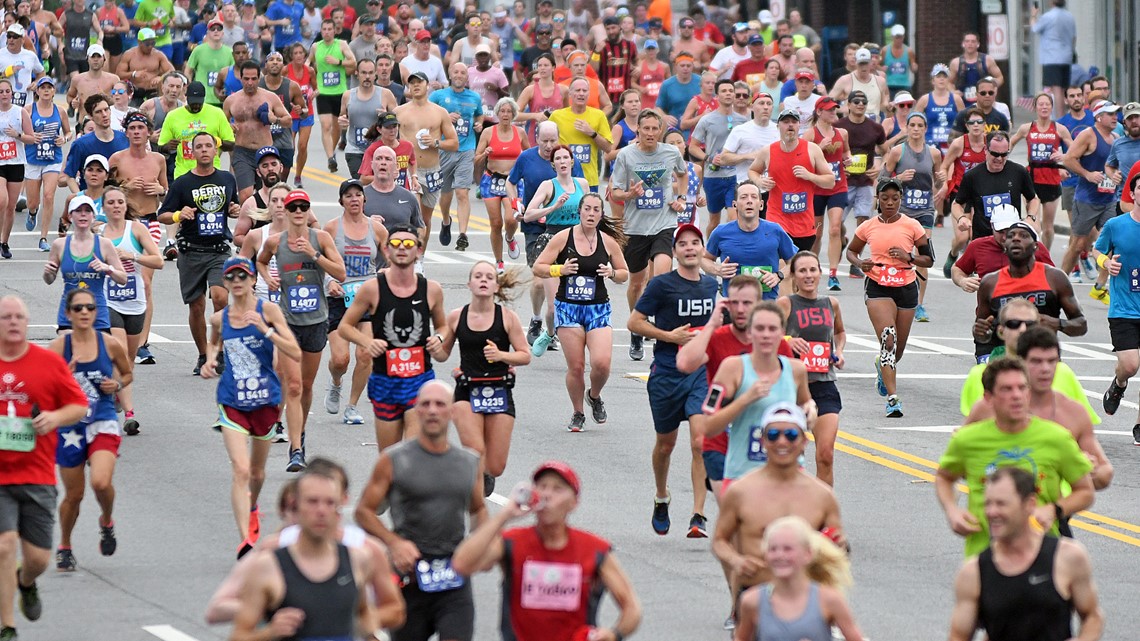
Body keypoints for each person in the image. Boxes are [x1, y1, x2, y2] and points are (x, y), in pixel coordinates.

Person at [353, 379, 486, 641]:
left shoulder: (468, 462)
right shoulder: (393, 459)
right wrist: (394, 543)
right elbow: (364, 511)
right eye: (426, 404)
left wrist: (478, 547)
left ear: (452, 412)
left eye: (440, 404)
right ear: (417, 410)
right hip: (409, 572)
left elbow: (478, 509)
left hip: (453, 573)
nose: (433, 410)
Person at [452, 460, 642, 641]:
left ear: (574, 502)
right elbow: (461, 564)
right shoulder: (512, 542)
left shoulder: (595, 549)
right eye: (542, 487)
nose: (547, 494)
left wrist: (614, 634)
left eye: (557, 489)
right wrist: (505, 515)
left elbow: (631, 608)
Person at [936, 357, 1095, 557]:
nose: (1017, 396)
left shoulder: (1057, 438)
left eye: (1022, 388)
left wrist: (1054, 510)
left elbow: (1085, 491)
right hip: (984, 557)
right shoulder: (968, 440)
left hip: (1042, 557)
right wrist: (952, 511)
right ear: (988, 398)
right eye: (1007, 389)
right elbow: (944, 476)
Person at [0, 296, 89, 641]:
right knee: (5, 544)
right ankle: (7, 625)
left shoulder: (48, 363)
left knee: (38, 559)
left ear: (27, 322)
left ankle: (26, 581)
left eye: (18, 317)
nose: (12, 322)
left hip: (36, 474)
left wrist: (54, 417)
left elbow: (78, 406)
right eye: (6, 316)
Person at [200, 256, 299, 556]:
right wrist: (210, 358)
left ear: (253, 280)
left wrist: (267, 330)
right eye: (232, 277)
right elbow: (214, 340)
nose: (238, 281)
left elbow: (293, 349)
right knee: (240, 469)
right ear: (226, 283)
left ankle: (252, 506)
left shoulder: (267, 310)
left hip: (265, 400)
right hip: (232, 400)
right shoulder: (220, 318)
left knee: (256, 473)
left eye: (243, 276)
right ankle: (246, 540)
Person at [627, 222, 716, 536]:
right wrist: (669, 336)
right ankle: (661, 496)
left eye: (695, 243)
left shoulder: (712, 287)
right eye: (684, 244)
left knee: (699, 441)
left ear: (702, 249)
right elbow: (634, 322)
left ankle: (698, 515)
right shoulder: (661, 285)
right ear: (675, 252)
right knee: (666, 445)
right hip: (666, 372)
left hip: (702, 374)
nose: (690, 248)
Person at [229, 468, 390, 641]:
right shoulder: (269, 565)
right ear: (295, 506)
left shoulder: (357, 560)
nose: (321, 511)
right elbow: (238, 636)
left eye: (330, 503)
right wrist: (270, 632)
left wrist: (373, 635)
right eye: (312, 502)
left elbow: (364, 613)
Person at [947, 466, 1103, 641]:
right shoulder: (973, 572)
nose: (991, 512)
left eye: (1001, 504)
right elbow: (958, 636)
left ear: (1030, 504)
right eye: (987, 504)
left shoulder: (1068, 557)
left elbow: (1092, 616)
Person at [711, 403, 841, 604]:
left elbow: (839, 549)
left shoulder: (823, 496)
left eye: (790, 435)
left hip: (807, 600)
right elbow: (719, 541)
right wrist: (736, 561)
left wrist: (835, 546)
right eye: (773, 435)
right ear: (762, 441)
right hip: (754, 598)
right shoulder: (740, 492)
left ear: (803, 442)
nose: (782, 442)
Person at [337, 225, 448, 451]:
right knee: (389, 458)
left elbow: (443, 326)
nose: (402, 249)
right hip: (385, 380)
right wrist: (368, 342)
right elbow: (345, 327)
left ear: (418, 251)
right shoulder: (372, 289)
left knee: (415, 453)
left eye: (408, 244)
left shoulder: (431, 289)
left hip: (419, 379)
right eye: (396, 244)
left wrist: (438, 338)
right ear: (386, 251)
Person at [257, 190, 346, 472]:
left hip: (317, 320)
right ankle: (295, 450)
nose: (297, 211)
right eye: (292, 206)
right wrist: (267, 279)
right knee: (293, 385)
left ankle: (300, 433)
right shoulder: (275, 242)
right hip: (287, 321)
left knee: (306, 386)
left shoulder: (321, 239)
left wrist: (314, 255)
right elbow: (260, 260)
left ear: (308, 210)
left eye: (302, 207)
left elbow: (341, 273)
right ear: (284, 209)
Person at [46, 288, 133, 572]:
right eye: (78, 308)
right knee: (74, 495)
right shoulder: (59, 347)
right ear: (69, 314)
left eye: (89, 308)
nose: (84, 312)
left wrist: (117, 385)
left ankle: (106, 521)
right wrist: (62, 377)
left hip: (103, 419)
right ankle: (65, 546)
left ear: (96, 313)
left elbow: (128, 372)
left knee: (100, 482)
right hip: (70, 427)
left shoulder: (109, 344)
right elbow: (43, 389)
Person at [965, 326, 1113, 491]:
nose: (1045, 369)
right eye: (1036, 361)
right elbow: (956, 466)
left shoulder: (1072, 412)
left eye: (1052, 361)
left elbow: (1104, 473)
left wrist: (1090, 471)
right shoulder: (989, 407)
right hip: (996, 511)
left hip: (1054, 509)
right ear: (1020, 362)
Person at [532, 192, 628, 431]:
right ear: (580, 212)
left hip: (597, 309)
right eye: (587, 209)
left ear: (601, 214)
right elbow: (538, 267)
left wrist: (612, 274)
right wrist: (560, 270)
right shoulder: (563, 238)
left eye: (596, 210)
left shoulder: (608, 242)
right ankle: (578, 412)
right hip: (569, 309)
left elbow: (624, 273)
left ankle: (594, 396)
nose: (591, 214)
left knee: (602, 364)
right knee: (576, 366)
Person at [439, 261, 531, 495]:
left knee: (496, 466)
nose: (483, 280)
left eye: (489, 277)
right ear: (469, 283)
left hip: (499, 390)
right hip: (467, 390)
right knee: (475, 451)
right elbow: (442, 355)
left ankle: (484, 475)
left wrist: (501, 355)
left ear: (496, 286)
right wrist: (433, 346)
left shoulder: (508, 318)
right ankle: (471, 502)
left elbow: (525, 355)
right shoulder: (456, 316)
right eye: (478, 276)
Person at [845, 178, 934, 417]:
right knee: (889, 339)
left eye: (895, 198)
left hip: (906, 286)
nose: (890, 203)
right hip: (878, 285)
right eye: (885, 198)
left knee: (898, 350)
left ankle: (881, 367)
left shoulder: (913, 225)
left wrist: (909, 257)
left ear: (901, 199)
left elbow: (929, 259)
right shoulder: (868, 227)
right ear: (878, 200)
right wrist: (859, 262)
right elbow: (851, 251)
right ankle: (893, 399)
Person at [157, 131, 242, 375]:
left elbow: (232, 206)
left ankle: (221, 352)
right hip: (191, 251)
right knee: (196, 306)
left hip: (219, 251)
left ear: (216, 151)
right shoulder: (183, 182)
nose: (204, 150)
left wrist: (234, 210)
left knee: (220, 298)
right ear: (192, 153)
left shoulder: (227, 179)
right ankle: (203, 354)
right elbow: (161, 214)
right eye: (199, 147)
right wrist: (177, 215)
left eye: (208, 146)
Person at [703, 302, 813, 486]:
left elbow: (806, 406)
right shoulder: (732, 368)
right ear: (750, 332)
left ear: (782, 333)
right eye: (760, 328)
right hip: (743, 475)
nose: (766, 335)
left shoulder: (796, 370)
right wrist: (745, 399)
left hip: (788, 474)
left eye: (772, 329)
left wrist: (811, 410)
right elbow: (708, 426)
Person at [612, 110, 688, 359]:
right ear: (638, 131)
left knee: (661, 278)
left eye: (656, 129)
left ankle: (661, 332)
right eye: (646, 129)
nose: (651, 133)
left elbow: (683, 173)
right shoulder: (627, 155)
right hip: (635, 228)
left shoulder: (670, 152)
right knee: (636, 284)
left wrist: (681, 198)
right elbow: (615, 191)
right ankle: (637, 328)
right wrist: (629, 195)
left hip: (663, 224)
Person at [958, 298, 1098, 423]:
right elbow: (972, 431)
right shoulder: (979, 375)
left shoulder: (1062, 372)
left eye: (1029, 324)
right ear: (1001, 331)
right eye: (1014, 324)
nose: (1023, 329)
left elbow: (1083, 427)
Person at [972, 220, 1087, 363]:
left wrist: (1057, 323)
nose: (1016, 238)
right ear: (1005, 247)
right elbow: (981, 333)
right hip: (1004, 358)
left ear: (1035, 246)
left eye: (1023, 236)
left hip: (1043, 357)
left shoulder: (1054, 278)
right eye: (1011, 236)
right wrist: (981, 332)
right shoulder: (990, 282)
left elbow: (1081, 324)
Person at [776, 251, 845, 486]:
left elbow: (839, 332)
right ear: (793, 275)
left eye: (812, 270)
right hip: (791, 390)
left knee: (826, 455)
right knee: (790, 457)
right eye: (802, 271)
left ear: (820, 272)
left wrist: (840, 352)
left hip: (824, 385)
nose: (808, 275)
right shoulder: (785, 304)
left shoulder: (831, 303)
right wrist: (787, 340)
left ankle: (822, 516)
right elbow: (766, 335)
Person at [733, 515, 862, 641]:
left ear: (808, 554)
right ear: (765, 555)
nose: (780, 555)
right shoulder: (752, 601)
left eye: (788, 549)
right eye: (773, 549)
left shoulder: (829, 600)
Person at [322, 179, 386, 429]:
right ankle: (336, 382)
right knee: (340, 359)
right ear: (341, 201)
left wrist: (385, 276)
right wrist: (329, 281)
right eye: (348, 195)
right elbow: (323, 261)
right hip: (339, 297)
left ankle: (352, 406)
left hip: (367, 298)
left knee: (366, 353)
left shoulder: (377, 229)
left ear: (364, 199)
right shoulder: (331, 228)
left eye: (358, 194)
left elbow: (390, 260)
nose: (354, 199)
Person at [99, 185, 162, 435]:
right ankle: (130, 414)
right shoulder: (99, 233)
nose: (116, 206)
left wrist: (133, 257)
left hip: (135, 303)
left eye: (120, 202)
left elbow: (158, 261)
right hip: (108, 301)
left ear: (126, 206)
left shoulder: (136, 229)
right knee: (121, 353)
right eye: (111, 202)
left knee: (129, 363)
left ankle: (118, 394)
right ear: (103, 207)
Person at [883, 112, 944, 321]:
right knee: (900, 251)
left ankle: (918, 304)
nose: (916, 129)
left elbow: (938, 183)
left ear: (926, 129)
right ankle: (895, 295)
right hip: (902, 210)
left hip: (925, 209)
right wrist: (898, 178)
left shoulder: (934, 153)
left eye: (920, 125)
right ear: (907, 128)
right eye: (913, 125)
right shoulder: (897, 152)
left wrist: (942, 180)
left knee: (922, 252)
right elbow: (883, 179)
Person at [749, 109, 836, 253]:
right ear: (778, 126)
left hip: (804, 222)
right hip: (777, 219)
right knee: (781, 265)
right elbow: (752, 171)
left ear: (798, 126)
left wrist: (810, 176)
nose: (790, 125)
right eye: (785, 122)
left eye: (794, 122)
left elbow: (831, 181)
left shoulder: (812, 150)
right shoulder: (768, 151)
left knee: (798, 267)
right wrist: (759, 182)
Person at [1094, 173, 1140, 439]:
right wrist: (1105, 264)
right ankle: (1119, 383)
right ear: (1132, 194)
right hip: (1124, 308)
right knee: (1130, 364)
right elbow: (1097, 251)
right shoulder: (1115, 225)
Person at [44, 196, 129, 334]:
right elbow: (49, 280)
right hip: (70, 311)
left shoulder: (104, 244)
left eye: (87, 211)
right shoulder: (59, 244)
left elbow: (123, 278)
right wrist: (48, 273)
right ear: (71, 216)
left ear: (93, 217)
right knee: (69, 353)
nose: (83, 214)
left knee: (98, 353)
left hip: (97, 311)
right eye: (78, 211)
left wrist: (108, 269)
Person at [396, 71, 459, 248]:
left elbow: (454, 143)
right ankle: (411, 256)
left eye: (419, 82)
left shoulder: (440, 112)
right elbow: (388, 139)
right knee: (412, 216)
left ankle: (420, 256)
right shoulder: (399, 112)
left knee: (425, 219)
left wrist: (436, 142)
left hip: (432, 170)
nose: (416, 85)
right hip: (408, 171)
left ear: (427, 84)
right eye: (412, 83)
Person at [704, 180, 796, 299]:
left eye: (754, 197)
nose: (749, 201)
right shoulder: (721, 232)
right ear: (735, 204)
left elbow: (794, 261)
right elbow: (704, 259)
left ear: (761, 204)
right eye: (743, 197)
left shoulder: (775, 230)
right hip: (734, 305)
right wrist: (717, 269)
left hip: (766, 305)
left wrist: (779, 275)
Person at [952, 131, 1039, 256]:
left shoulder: (1018, 172)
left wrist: (1031, 217)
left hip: (1011, 239)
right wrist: (961, 218)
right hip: (983, 239)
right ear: (986, 150)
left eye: (1004, 155)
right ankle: (953, 256)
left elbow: (1033, 199)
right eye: (995, 154)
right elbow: (957, 204)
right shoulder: (972, 176)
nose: (999, 159)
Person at [1060, 99, 1119, 281]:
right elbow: (1068, 159)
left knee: (1111, 242)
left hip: (1109, 199)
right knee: (1078, 245)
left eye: (1116, 113)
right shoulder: (1088, 135)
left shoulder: (1116, 139)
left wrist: (1117, 175)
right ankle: (1059, 282)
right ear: (1099, 117)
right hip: (1087, 200)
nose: (1115, 117)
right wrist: (1087, 174)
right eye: (1110, 114)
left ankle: (1101, 286)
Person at [430, 62, 486, 252]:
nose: (460, 75)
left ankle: (463, 234)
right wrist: (445, 117)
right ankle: (446, 220)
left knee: (462, 192)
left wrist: (478, 125)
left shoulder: (474, 97)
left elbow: (479, 116)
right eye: (456, 72)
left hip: (466, 149)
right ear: (450, 75)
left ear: (467, 77)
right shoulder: (439, 96)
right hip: (444, 149)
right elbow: (427, 116)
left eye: (463, 72)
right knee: (445, 194)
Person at [1010, 93, 1074, 253]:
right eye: (1041, 104)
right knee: (1033, 222)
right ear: (1035, 107)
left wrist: (1064, 158)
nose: (1044, 107)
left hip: (1051, 178)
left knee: (1047, 227)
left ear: (1052, 107)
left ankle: (1045, 254)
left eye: (1047, 104)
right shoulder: (1027, 128)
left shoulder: (1059, 129)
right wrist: (1003, 161)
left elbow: (1075, 150)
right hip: (1031, 178)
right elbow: (1009, 143)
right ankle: (1034, 255)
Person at [223, 61, 293, 204]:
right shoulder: (231, 100)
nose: (250, 82)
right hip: (242, 152)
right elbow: (221, 124)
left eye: (254, 79)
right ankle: (248, 225)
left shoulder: (270, 97)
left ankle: (268, 224)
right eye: (246, 79)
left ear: (259, 78)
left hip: (265, 151)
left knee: (269, 194)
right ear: (240, 78)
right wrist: (229, 128)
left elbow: (288, 120)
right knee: (245, 195)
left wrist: (274, 119)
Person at [689, 79, 749, 235]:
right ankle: (711, 252)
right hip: (713, 176)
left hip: (735, 176)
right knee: (714, 221)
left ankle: (731, 250)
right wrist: (709, 158)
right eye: (724, 91)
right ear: (717, 95)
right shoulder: (707, 120)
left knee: (733, 217)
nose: (728, 93)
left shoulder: (743, 121)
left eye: (731, 90)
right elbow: (693, 147)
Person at [474, 97, 527, 271]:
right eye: (502, 111)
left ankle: (510, 239)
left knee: (511, 219)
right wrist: (485, 154)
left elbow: (529, 155)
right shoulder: (488, 133)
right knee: (496, 223)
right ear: (497, 113)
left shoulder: (520, 133)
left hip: (512, 181)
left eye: (509, 111)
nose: (505, 114)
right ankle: (499, 261)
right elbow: (476, 158)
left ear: (513, 114)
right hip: (492, 180)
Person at [802, 97, 850, 287]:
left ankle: (833, 273)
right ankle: (812, 267)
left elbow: (846, 152)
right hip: (816, 188)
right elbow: (802, 161)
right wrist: (818, 149)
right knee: (816, 233)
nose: (833, 113)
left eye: (835, 110)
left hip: (838, 186)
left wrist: (848, 160)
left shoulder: (842, 133)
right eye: (829, 110)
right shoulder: (810, 135)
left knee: (836, 228)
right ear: (819, 112)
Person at [24, 78, 69, 254]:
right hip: (33, 159)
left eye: (49, 87)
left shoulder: (60, 111)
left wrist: (64, 139)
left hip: (53, 158)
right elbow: (21, 134)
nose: (46, 90)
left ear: (53, 90)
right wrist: (30, 137)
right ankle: (33, 212)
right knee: (33, 202)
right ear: (37, 91)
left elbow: (68, 132)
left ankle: (43, 238)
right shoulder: (28, 110)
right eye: (42, 87)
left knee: (49, 196)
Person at [549, 76, 613, 193]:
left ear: (589, 94)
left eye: (584, 91)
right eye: (577, 90)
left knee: (589, 211)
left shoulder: (598, 115)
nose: (581, 94)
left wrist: (592, 133)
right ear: (570, 94)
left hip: (589, 179)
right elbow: (547, 144)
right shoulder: (557, 116)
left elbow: (608, 148)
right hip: (562, 179)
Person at [308, 18, 356, 174]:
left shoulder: (341, 44)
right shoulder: (316, 47)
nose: (327, 32)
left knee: (336, 127)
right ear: (321, 31)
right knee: (326, 125)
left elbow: (353, 62)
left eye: (330, 29)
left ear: (334, 31)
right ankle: (330, 158)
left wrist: (338, 62)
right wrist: (308, 84)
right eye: (324, 29)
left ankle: (332, 151)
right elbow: (308, 64)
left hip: (340, 91)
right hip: (323, 92)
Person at [1030, 0, 1076, 117]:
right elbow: (1073, 38)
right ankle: (1065, 115)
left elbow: (1034, 28)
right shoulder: (1070, 16)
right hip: (1066, 57)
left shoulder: (1048, 16)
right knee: (1063, 89)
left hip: (1052, 57)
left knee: (1056, 90)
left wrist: (1033, 15)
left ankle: (1059, 118)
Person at [284, 42, 316, 188]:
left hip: (305, 112)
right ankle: (283, 173)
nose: (298, 56)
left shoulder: (309, 71)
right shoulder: (285, 70)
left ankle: (298, 176)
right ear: (291, 56)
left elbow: (316, 88)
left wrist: (311, 94)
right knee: (289, 147)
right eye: (295, 53)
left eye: (301, 53)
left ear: (305, 55)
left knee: (302, 146)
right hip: (290, 114)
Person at [116, 28, 175, 107]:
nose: (150, 46)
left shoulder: (158, 55)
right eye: (147, 44)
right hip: (135, 91)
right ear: (139, 42)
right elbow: (118, 74)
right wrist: (133, 74)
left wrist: (161, 77)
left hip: (152, 91)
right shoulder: (129, 54)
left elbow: (172, 71)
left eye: (153, 43)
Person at [829, 48, 889, 121]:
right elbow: (828, 102)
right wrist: (842, 109)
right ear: (856, 62)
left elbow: (884, 102)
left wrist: (888, 105)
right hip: (851, 127)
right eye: (861, 64)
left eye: (866, 63)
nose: (863, 67)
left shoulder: (880, 81)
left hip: (873, 127)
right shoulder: (845, 80)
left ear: (870, 62)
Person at [186, 16, 234, 107]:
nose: (216, 31)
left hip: (223, 99)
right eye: (212, 29)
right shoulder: (198, 50)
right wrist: (191, 87)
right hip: (203, 99)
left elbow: (233, 74)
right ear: (208, 33)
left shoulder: (229, 52)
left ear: (223, 33)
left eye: (219, 29)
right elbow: (188, 71)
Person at [948, 33, 1003, 107]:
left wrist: (992, 87)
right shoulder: (956, 63)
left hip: (984, 103)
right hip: (963, 104)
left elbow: (1000, 77)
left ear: (978, 44)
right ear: (963, 44)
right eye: (967, 41)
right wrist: (953, 92)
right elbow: (949, 82)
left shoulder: (987, 60)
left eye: (973, 41)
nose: (970, 44)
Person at [66, 45, 120, 121]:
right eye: (93, 57)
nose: (96, 59)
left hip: (106, 123)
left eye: (98, 56)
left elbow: (120, 102)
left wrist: (105, 97)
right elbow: (70, 96)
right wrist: (73, 103)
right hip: (84, 124)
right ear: (87, 59)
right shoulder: (77, 80)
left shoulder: (113, 79)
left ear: (104, 59)